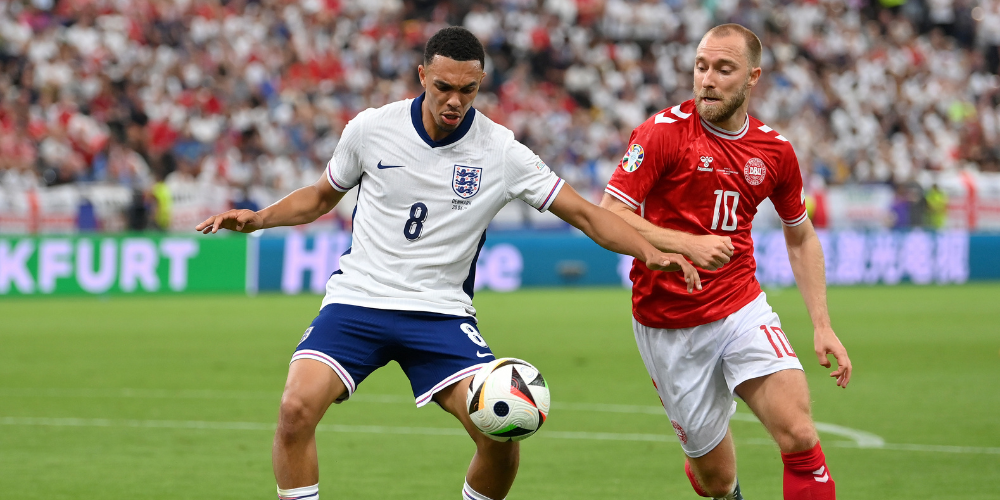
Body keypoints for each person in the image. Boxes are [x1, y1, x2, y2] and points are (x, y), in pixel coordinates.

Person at [196, 27, 700, 500]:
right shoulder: (371, 129)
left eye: (468, 89)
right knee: (293, 410)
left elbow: (587, 215)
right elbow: (320, 197)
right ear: (422, 76)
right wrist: (259, 219)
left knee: (502, 433)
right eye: (443, 87)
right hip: (358, 301)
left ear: (481, 83)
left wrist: (650, 251)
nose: (455, 100)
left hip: (440, 313)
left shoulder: (502, 151)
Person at [600, 24, 852, 500]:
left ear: (752, 77)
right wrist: (686, 244)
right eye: (701, 67)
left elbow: (800, 236)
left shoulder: (775, 150)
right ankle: (708, 467)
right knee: (716, 482)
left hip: (741, 308)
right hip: (668, 324)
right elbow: (609, 215)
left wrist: (822, 324)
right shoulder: (661, 134)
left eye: (723, 68)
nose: (707, 79)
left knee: (799, 434)